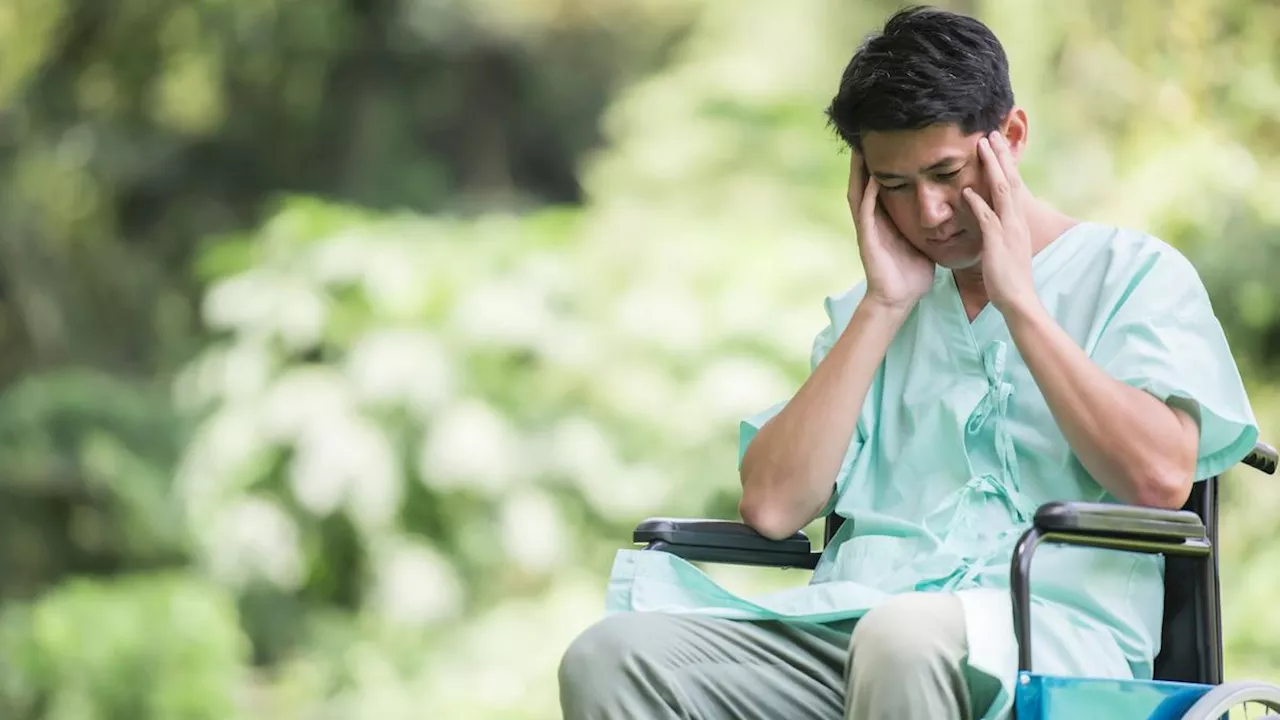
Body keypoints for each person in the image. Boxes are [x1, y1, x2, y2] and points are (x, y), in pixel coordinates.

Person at [557, 6, 1259, 719]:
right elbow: (772, 507)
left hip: (1046, 641)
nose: (927, 213)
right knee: (611, 655)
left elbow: (1159, 477)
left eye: (946, 173)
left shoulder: (1133, 274)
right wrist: (883, 307)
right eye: (893, 186)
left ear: (1009, 138)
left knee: (900, 637)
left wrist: (1021, 304)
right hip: (849, 627)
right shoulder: (871, 311)